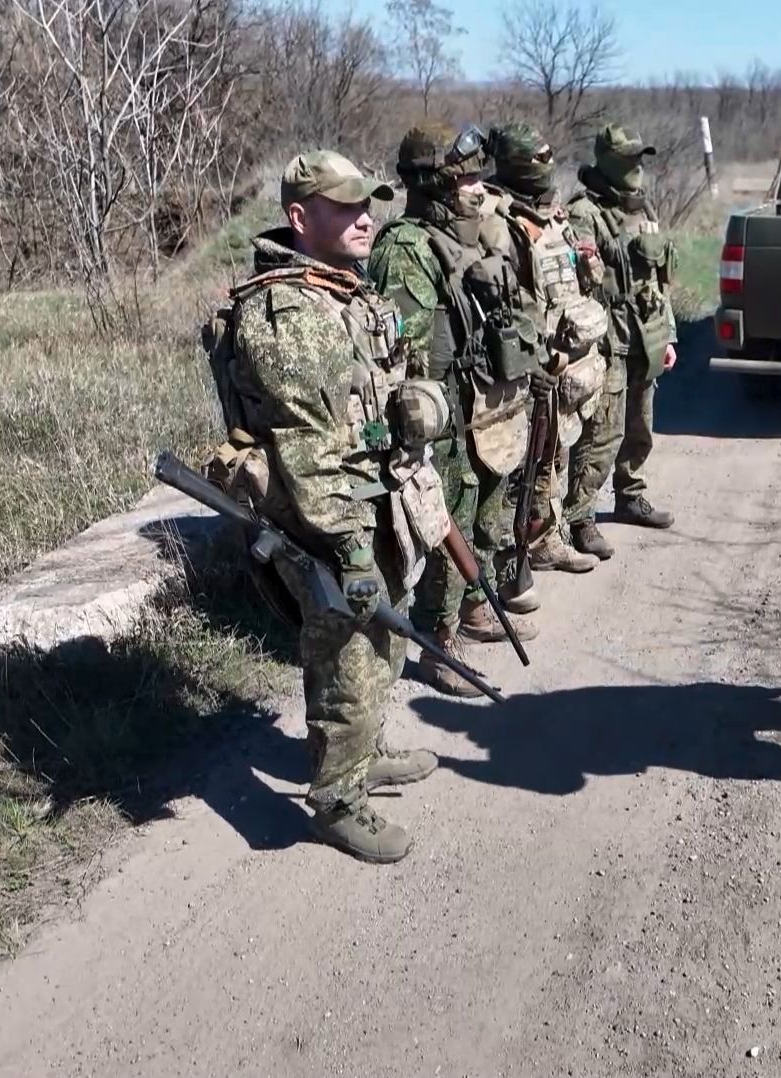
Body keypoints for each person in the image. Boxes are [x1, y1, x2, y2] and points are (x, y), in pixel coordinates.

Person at [208, 150, 453, 863]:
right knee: (348, 649)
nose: (364, 219)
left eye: (367, 206)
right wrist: (347, 548)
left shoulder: (341, 289)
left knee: (386, 639)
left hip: (373, 495)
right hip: (323, 516)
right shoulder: (286, 309)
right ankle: (336, 801)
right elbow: (309, 449)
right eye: (346, 208)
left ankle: (364, 751)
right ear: (299, 217)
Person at [370, 122, 541, 699]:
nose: (477, 189)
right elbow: (405, 360)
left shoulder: (458, 238)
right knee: (445, 520)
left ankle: (472, 604)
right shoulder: (405, 251)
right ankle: (436, 641)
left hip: (469, 403)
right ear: (437, 184)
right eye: (466, 178)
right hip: (431, 420)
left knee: (477, 504)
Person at [482, 121, 606, 575]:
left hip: (563, 356)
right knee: (521, 461)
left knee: (555, 450)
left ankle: (545, 537)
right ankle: (508, 556)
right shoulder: (495, 217)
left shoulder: (551, 214)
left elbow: (576, 275)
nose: (546, 168)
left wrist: (587, 261)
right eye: (536, 160)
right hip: (526, 357)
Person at [563, 123, 678, 559]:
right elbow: (575, 285)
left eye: (639, 159)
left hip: (645, 336)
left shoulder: (644, 210)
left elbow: (659, 280)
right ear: (607, 163)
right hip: (607, 341)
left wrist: (669, 334)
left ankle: (630, 495)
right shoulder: (584, 214)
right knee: (601, 435)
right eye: (628, 159)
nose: (637, 168)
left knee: (640, 427)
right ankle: (580, 517)